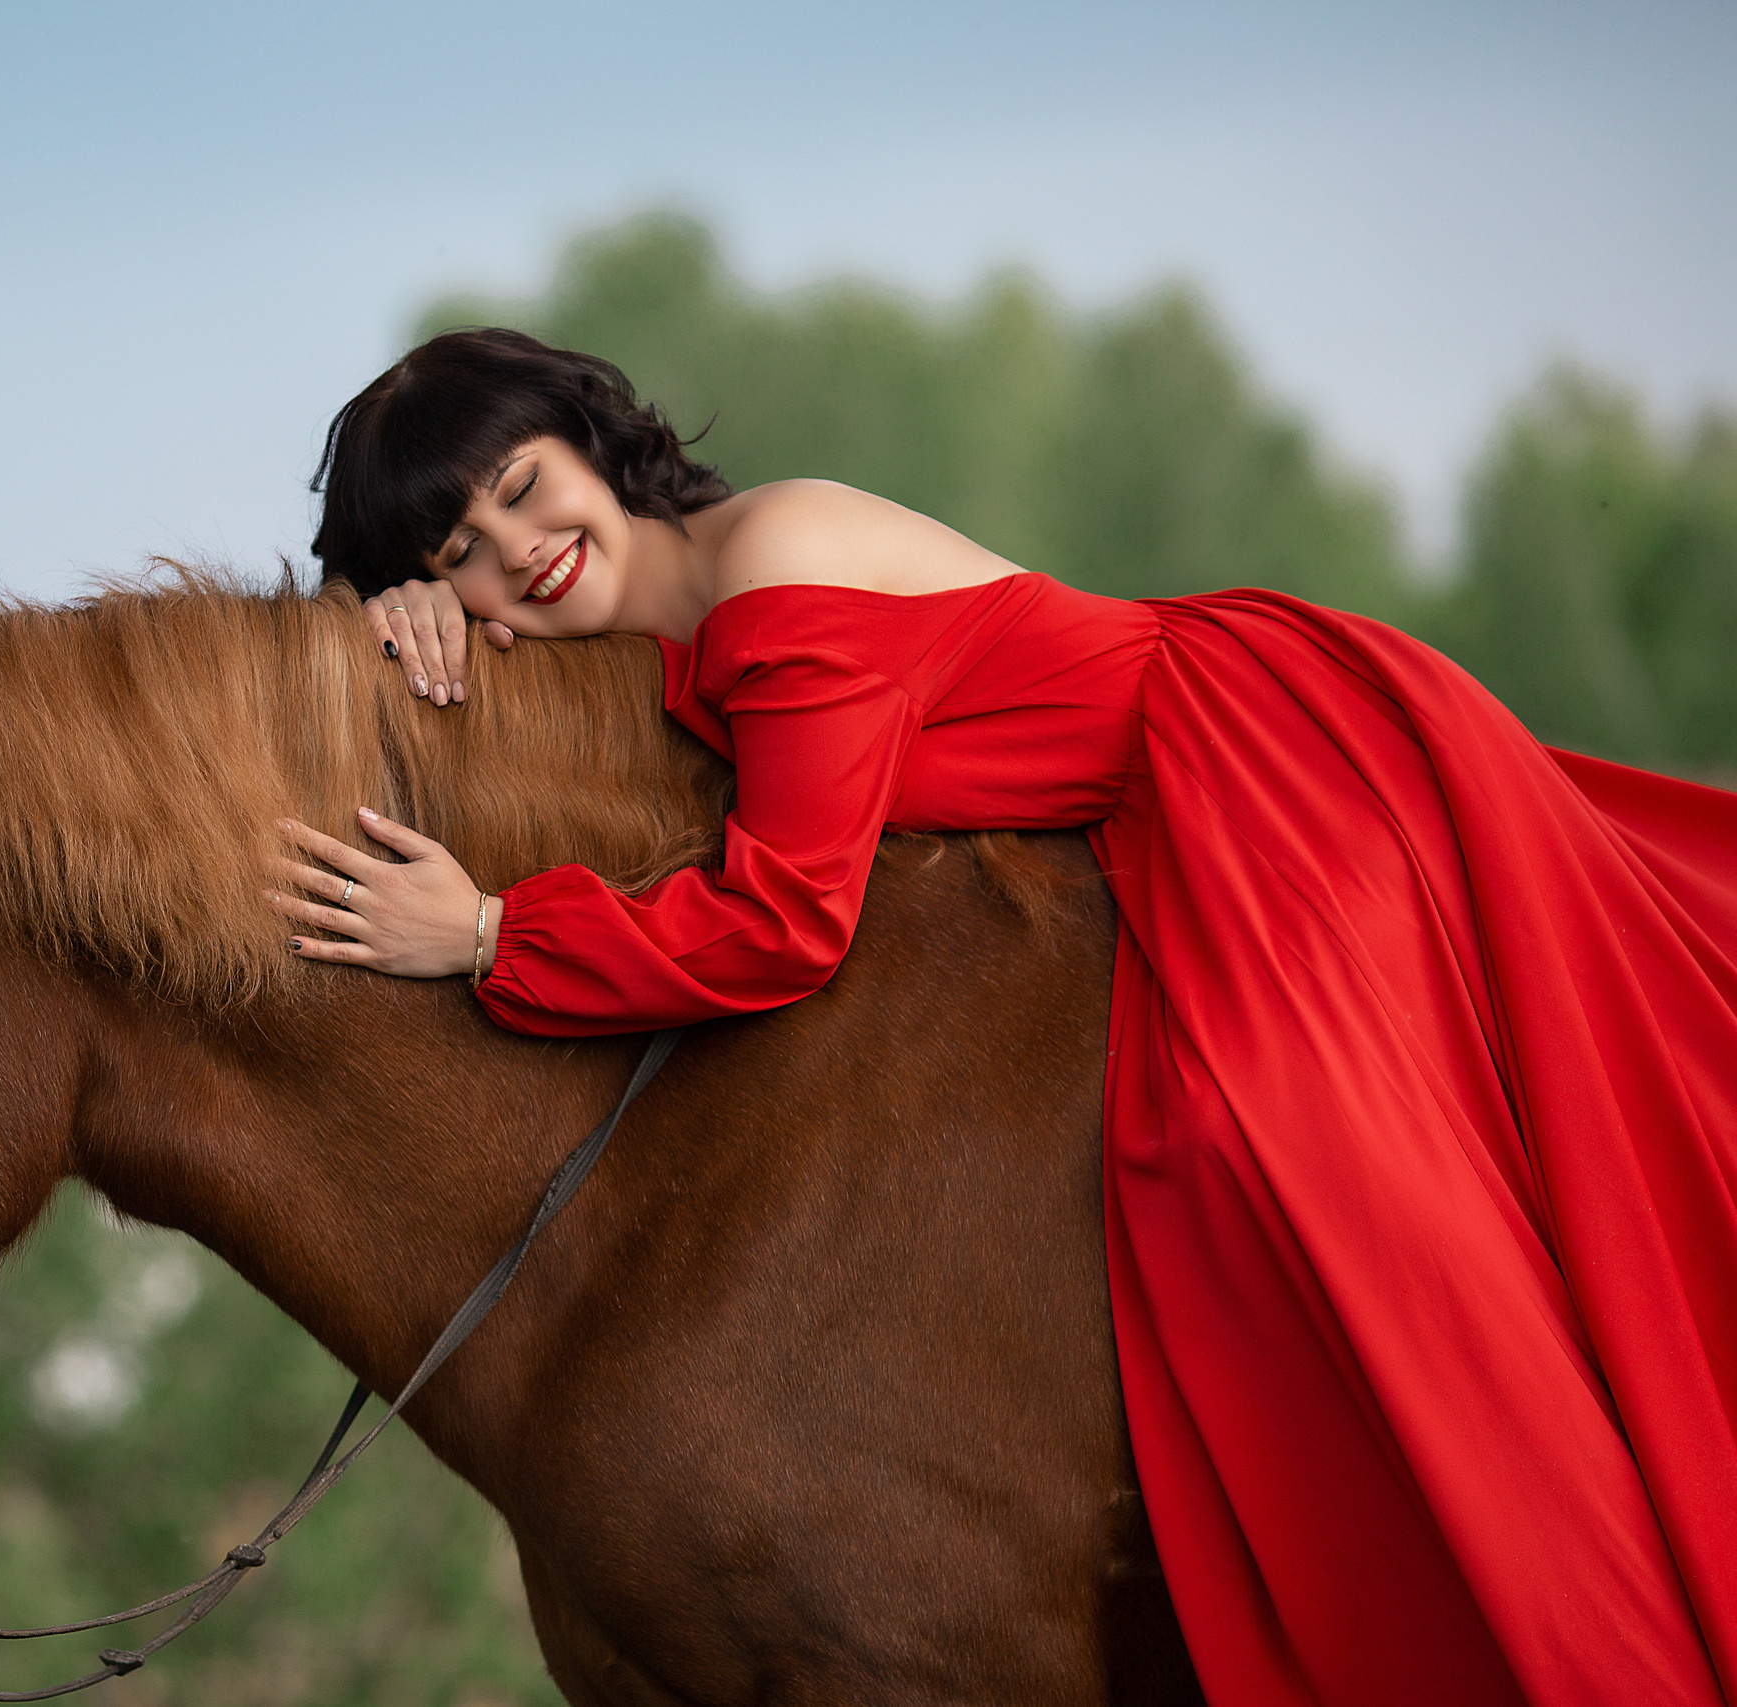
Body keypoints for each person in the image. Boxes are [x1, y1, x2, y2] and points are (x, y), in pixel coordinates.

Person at [265, 327, 1737, 1705]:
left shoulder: (770, 574)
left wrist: (481, 933)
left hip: (1261, 783)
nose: (522, 552)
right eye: (465, 551)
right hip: (1158, 819)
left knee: (1268, 1152)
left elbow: (785, 923)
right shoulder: (653, 628)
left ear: (588, 442)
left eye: (526, 490)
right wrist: (388, 608)